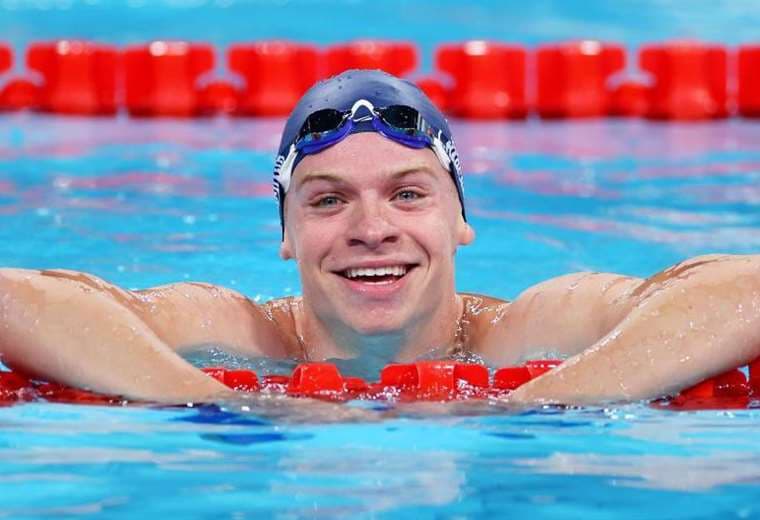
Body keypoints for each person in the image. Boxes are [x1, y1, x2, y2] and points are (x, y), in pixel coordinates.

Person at [0, 70, 758, 405]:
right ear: (287, 235)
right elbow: (23, 301)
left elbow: (738, 289)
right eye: (328, 201)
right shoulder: (240, 333)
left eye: (407, 194)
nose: (372, 230)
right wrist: (214, 402)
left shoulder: (523, 330)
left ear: (458, 220)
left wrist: (548, 400)